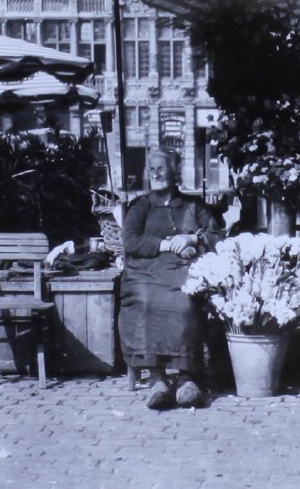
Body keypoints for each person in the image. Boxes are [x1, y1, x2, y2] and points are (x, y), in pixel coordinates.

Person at [119, 150, 225, 409]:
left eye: (161, 168)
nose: (155, 173)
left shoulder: (193, 206)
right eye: (151, 168)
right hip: (144, 271)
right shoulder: (140, 206)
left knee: (186, 302)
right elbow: (131, 241)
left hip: (183, 270)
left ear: (175, 173)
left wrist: (193, 239)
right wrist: (166, 244)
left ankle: (188, 379)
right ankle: (157, 380)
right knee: (146, 303)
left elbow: (218, 235)